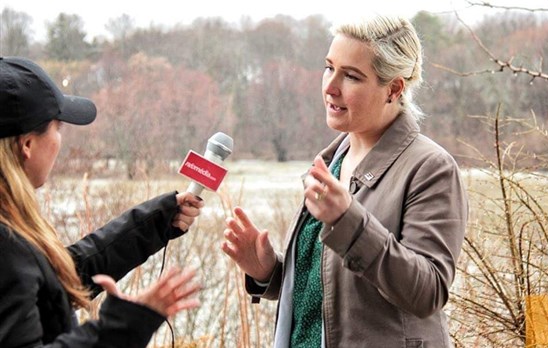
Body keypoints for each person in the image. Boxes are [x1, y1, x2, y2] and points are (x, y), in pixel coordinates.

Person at [223, 15, 468, 347]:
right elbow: (333, 292)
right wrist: (268, 272)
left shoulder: (430, 168)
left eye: (351, 75)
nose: (330, 86)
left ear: (394, 89)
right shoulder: (331, 162)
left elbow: (427, 291)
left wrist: (348, 220)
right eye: (329, 68)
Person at [0, 56, 204, 347]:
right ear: (27, 145)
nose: (60, 139)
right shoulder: (5, 245)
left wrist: (157, 219)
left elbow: (58, 278)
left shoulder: (11, 231)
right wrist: (121, 328)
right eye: (58, 127)